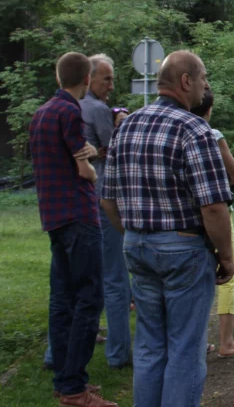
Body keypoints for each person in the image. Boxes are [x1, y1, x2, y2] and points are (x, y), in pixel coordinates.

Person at [100, 50, 234, 407]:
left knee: (149, 345)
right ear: (186, 81)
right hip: (184, 250)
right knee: (185, 349)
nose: (205, 85)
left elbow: (108, 199)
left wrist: (134, 234)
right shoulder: (194, 128)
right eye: (203, 78)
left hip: (137, 246)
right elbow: (214, 206)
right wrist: (226, 257)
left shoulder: (126, 125)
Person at [29, 52, 117, 407]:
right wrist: (92, 165)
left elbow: (60, 157)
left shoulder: (41, 113)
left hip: (53, 217)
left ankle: (65, 380)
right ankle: (75, 388)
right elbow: (84, 169)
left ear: (58, 76)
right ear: (86, 79)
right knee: (89, 298)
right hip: (79, 215)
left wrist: (85, 152)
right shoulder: (70, 111)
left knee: (62, 299)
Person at [190, 88, 234, 359]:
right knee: (228, 275)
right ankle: (226, 342)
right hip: (216, 211)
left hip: (186, 217)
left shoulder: (177, 130)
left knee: (193, 277)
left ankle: (196, 342)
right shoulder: (213, 135)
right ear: (209, 110)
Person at [80, 54, 132, 368]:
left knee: (78, 278)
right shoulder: (97, 109)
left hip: (78, 203)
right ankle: (119, 353)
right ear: (89, 78)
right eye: (107, 79)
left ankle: (55, 352)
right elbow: (117, 151)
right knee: (116, 279)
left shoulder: (71, 106)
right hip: (104, 198)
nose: (111, 85)